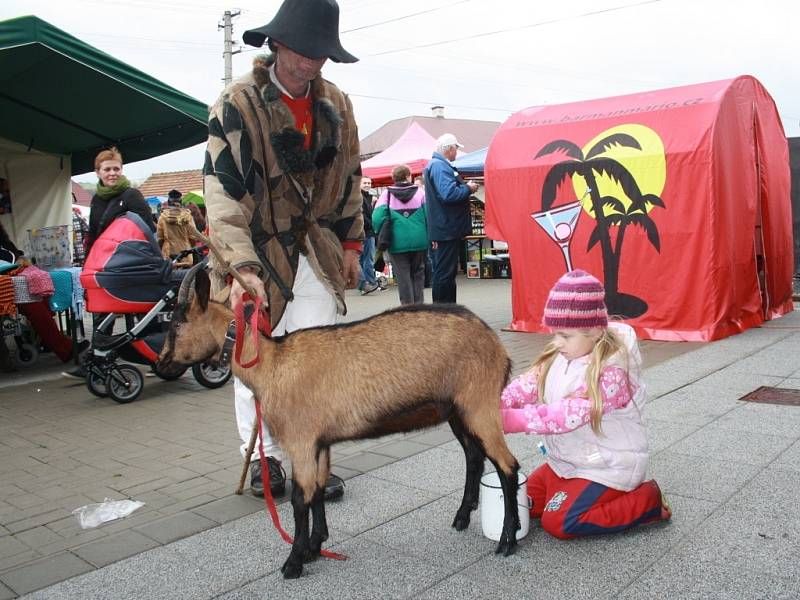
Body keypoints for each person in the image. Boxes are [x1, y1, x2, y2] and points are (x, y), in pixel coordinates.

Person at [204, 0, 361, 501]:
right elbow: (222, 194)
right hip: (255, 250)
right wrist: (240, 266)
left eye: (322, 55)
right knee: (256, 359)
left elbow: (350, 179)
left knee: (315, 360)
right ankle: (264, 460)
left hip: (317, 249)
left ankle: (309, 456)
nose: (313, 63)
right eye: (304, 52)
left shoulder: (336, 102)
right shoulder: (237, 102)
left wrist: (353, 244)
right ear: (277, 44)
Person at [500, 270, 670, 539]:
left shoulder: (614, 371)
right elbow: (528, 384)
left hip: (606, 466)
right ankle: (568, 492)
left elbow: (568, 414)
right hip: (566, 462)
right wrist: (495, 404)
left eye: (565, 336)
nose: (557, 342)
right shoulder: (560, 354)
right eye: (556, 333)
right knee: (523, 502)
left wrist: (508, 420)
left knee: (560, 523)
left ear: (595, 330)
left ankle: (646, 501)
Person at [64, 147, 156, 379]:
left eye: (116, 168)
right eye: (107, 169)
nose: (112, 173)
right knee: (100, 309)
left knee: (140, 313)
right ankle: (97, 358)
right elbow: (94, 233)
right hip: (104, 263)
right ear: (98, 172)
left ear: (122, 170)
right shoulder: (96, 200)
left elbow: (147, 228)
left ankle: (153, 356)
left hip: (129, 262)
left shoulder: (131, 195)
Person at [0, 222, 88, 370]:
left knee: (41, 299)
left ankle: (50, 342)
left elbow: (12, 251)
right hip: (7, 281)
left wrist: (20, 258)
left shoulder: (2, 238)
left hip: (13, 276)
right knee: (34, 306)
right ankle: (63, 348)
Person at [423, 133, 479, 303]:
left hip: (444, 227)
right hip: (446, 228)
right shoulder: (440, 166)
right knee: (445, 272)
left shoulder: (436, 165)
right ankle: (443, 311)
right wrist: (468, 188)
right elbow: (448, 194)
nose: (457, 152)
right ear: (449, 149)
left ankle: (445, 310)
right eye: (456, 148)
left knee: (445, 271)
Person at [372, 164, 428, 305]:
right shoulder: (421, 193)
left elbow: (376, 218)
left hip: (396, 242)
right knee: (418, 273)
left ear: (394, 178)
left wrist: (381, 229)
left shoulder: (387, 195)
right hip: (419, 240)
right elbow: (430, 215)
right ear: (409, 176)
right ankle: (419, 306)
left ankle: (407, 308)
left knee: (403, 277)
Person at [157, 190, 200, 268]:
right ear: (181, 202)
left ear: (168, 202)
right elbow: (193, 237)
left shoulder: (162, 218)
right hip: (186, 256)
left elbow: (160, 239)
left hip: (169, 258)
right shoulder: (188, 217)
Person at [358, 177, 380, 295]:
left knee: (364, 260)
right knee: (368, 259)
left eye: (369, 183)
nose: (367, 184)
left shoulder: (367, 197)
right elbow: (362, 215)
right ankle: (370, 282)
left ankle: (365, 283)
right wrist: (372, 225)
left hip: (365, 231)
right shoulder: (360, 197)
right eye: (365, 182)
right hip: (366, 232)